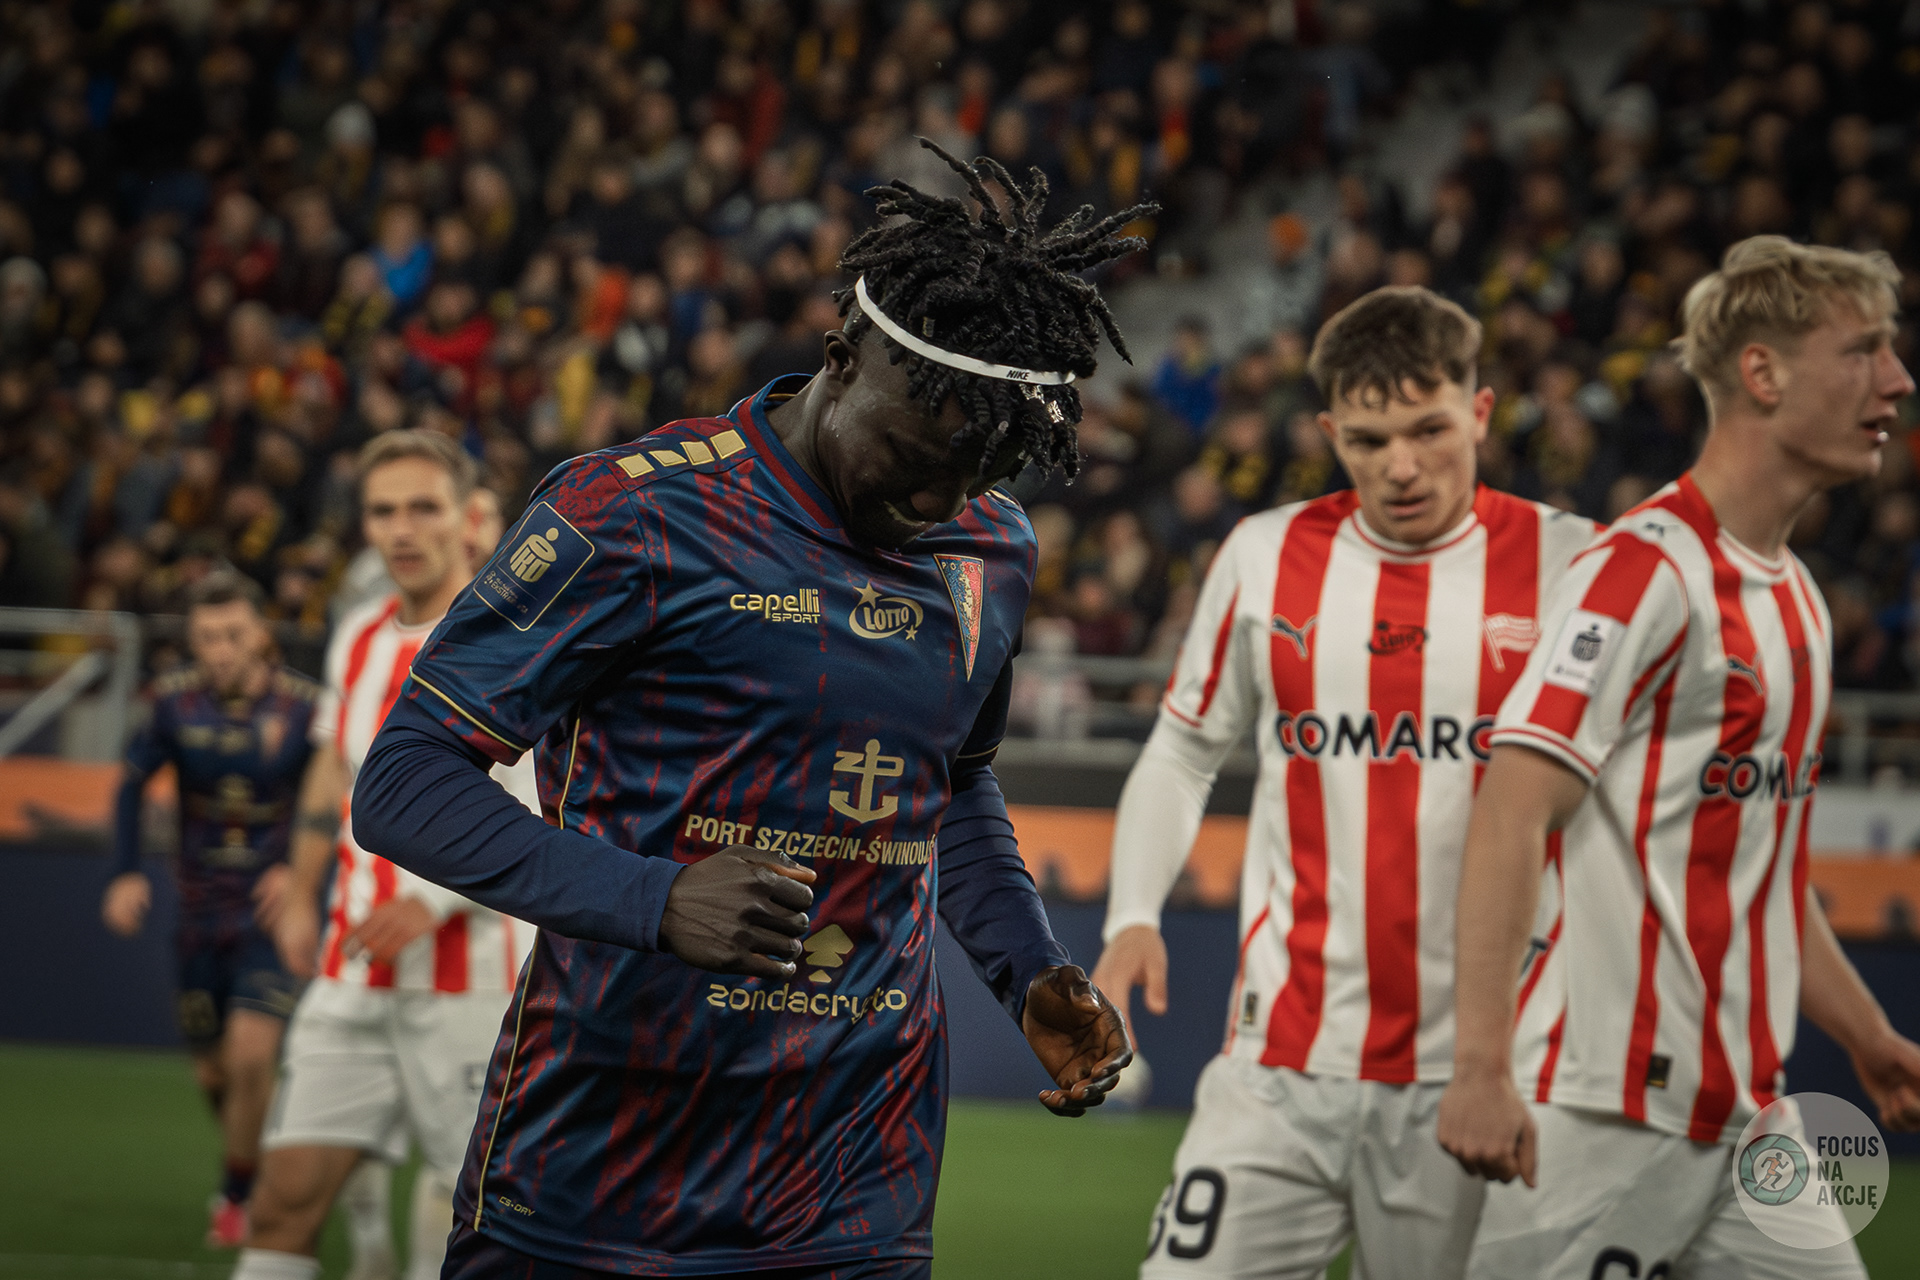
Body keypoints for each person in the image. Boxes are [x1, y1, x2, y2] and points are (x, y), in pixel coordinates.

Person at [349, 141, 1141, 1276]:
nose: (938, 501)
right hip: (600, 1162)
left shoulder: (992, 548)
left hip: (855, 1178)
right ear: (839, 361)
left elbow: (950, 779)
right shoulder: (633, 514)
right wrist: (655, 897)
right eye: (915, 456)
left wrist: (1027, 964)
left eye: (979, 472)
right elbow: (404, 780)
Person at [1438, 237, 1920, 1277]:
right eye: (1864, 350)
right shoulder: (1639, 572)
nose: (1897, 379)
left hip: (1749, 1118)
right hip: (1601, 1111)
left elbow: (1760, 874)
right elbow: (1512, 808)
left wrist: (1867, 1033)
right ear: (1763, 373)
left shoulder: (1798, 601)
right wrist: (1479, 1064)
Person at [1093, 286, 1597, 1279]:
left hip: (1484, 1075)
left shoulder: (1574, 565)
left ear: (1481, 412)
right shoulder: (1264, 555)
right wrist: (1133, 915)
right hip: (1279, 1063)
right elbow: (1184, 748)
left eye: (1429, 430)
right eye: (1368, 441)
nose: (1401, 466)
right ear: (1329, 433)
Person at [232, 431, 539, 1280]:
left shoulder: (517, 639)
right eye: (383, 511)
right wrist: (301, 891)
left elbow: (540, 807)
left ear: (467, 518)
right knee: (282, 1201)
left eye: (423, 508)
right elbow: (332, 768)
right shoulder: (357, 636)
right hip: (353, 971)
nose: (402, 529)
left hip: (474, 983)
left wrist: (431, 900)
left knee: (479, 1227)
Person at [101, 571, 320, 1247]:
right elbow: (130, 786)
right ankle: (250, 1158)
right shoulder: (172, 704)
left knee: (252, 1053)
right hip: (198, 913)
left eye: (233, 635)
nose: (220, 650)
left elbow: (331, 801)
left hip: (267, 914)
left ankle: (238, 1193)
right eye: (206, 638)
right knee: (214, 1070)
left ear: (260, 633)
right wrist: (124, 872)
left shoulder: (307, 709)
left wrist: (298, 874)